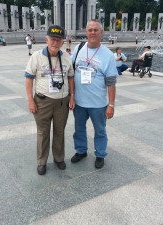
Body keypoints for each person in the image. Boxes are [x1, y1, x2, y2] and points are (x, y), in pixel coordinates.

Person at [24, 25, 75, 175]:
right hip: (42, 101)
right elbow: (28, 78)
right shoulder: (37, 56)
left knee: (60, 131)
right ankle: (42, 162)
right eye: (52, 39)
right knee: (43, 132)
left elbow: (71, 77)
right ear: (46, 39)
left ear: (62, 42)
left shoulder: (66, 57)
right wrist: (30, 100)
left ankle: (59, 158)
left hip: (62, 102)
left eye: (59, 40)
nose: (55, 42)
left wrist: (72, 96)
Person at [71, 19, 118, 169]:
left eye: (95, 30)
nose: (92, 32)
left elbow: (111, 83)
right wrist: (71, 96)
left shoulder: (108, 55)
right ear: (86, 32)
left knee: (100, 130)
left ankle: (100, 154)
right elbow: (70, 72)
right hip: (79, 102)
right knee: (79, 129)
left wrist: (111, 105)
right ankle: (81, 150)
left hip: (98, 104)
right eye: (90, 30)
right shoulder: (78, 48)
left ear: (101, 33)